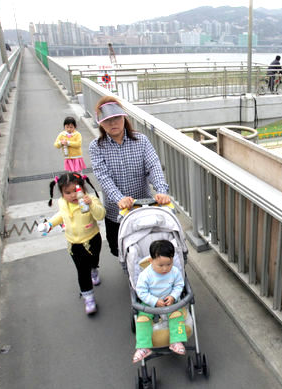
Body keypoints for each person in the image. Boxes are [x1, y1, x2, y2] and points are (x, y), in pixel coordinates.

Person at [89, 96, 170, 258]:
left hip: (143, 207)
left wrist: (161, 190)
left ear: (124, 117)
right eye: (107, 120)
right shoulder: (96, 147)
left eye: (117, 118)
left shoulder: (141, 140)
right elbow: (103, 177)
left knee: (147, 247)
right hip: (116, 211)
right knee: (117, 249)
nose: (113, 123)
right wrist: (119, 198)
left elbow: (153, 166)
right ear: (101, 123)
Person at [37, 173, 105, 315]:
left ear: (83, 188)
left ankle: (94, 269)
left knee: (93, 261)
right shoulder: (63, 203)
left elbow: (100, 215)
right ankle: (88, 297)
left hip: (92, 240)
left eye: (75, 190)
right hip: (74, 244)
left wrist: (91, 205)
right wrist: (49, 224)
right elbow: (61, 215)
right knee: (82, 271)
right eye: (67, 193)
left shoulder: (90, 200)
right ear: (62, 193)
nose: (73, 195)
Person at [132, 240, 187, 363]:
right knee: (142, 320)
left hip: (169, 301)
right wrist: (154, 301)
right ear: (151, 261)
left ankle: (176, 341)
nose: (165, 268)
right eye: (161, 265)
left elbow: (179, 285)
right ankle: (143, 347)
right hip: (149, 302)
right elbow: (141, 291)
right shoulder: (145, 275)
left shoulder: (174, 272)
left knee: (177, 315)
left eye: (169, 264)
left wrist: (173, 296)